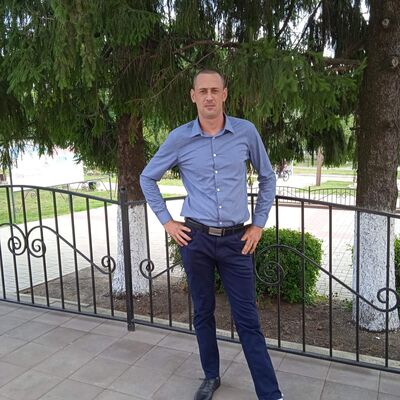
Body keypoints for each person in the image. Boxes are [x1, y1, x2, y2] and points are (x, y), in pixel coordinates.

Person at [140, 69, 283, 400]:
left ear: (224, 94)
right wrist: (168, 222)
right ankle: (210, 376)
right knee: (203, 312)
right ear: (193, 96)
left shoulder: (246, 132)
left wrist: (258, 224)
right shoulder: (179, 138)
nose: (208, 96)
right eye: (202, 91)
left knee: (247, 319)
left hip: (237, 241)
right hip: (197, 240)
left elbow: (268, 177)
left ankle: (270, 394)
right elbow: (147, 177)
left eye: (214, 90)